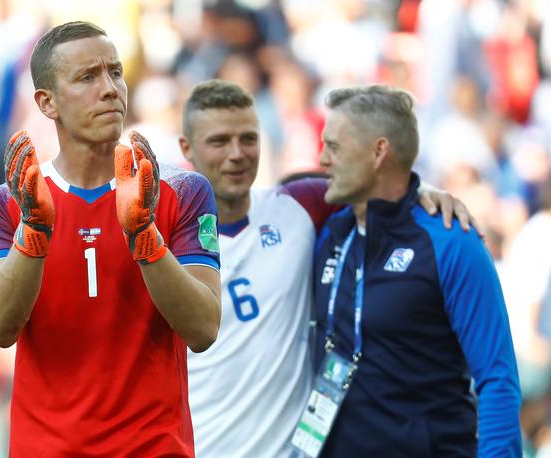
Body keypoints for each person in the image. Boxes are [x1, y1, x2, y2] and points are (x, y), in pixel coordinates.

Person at [180, 80, 478, 458]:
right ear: (186, 148)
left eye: (249, 139)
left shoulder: (297, 206)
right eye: (219, 141)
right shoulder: (167, 243)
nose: (237, 154)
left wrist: (425, 192)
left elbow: (378, 181)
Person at [0, 21, 221, 457]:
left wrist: (145, 237)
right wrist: (33, 232)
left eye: (115, 72)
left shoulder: (180, 192)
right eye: (87, 77)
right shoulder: (8, 202)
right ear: (46, 102)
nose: (110, 89)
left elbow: (203, 329)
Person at [305, 85, 521, 457]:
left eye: (334, 147)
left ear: (378, 152)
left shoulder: (452, 243)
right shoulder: (328, 233)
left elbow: (498, 380)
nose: (322, 159)